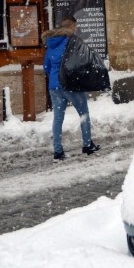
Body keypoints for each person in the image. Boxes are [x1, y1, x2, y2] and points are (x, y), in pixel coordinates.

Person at [42, 15, 100, 162]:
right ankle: (87, 145)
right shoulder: (73, 42)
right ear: (72, 27)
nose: (76, 29)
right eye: (75, 26)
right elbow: (81, 63)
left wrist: (55, 78)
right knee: (83, 113)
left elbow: (46, 67)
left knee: (57, 118)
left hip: (54, 87)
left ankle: (58, 151)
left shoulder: (51, 43)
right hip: (70, 85)